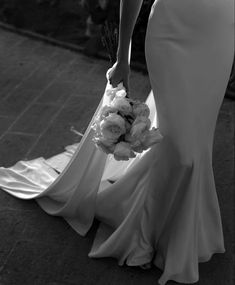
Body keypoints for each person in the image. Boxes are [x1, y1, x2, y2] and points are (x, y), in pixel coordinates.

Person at [0, 0, 234, 284]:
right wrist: (123, 57)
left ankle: (177, 229)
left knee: (196, 141)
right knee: (183, 151)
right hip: (172, 34)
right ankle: (158, 233)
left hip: (221, 30)